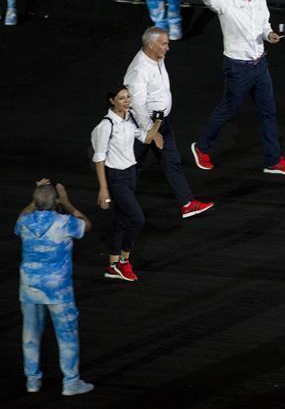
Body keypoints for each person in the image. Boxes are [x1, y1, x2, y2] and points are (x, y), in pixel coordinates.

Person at [190, 0, 285, 175]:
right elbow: (209, 0)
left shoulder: (260, 0)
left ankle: (273, 161)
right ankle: (202, 147)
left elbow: (265, 26)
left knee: (268, 113)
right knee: (228, 110)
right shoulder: (226, 2)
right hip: (237, 68)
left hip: (260, 66)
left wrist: (269, 35)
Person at [124, 26, 214, 219]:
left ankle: (187, 204)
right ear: (151, 45)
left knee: (172, 161)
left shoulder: (157, 57)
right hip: (143, 126)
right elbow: (137, 104)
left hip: (160, 122)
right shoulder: (139, 70)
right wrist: (151, 131)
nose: (168, 48)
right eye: (164, 44)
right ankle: (120, 202)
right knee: (132, 166)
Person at [16, 180, 94, 396]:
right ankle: (71, 382)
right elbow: (86, 224)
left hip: (29, 288)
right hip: (58, 290)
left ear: (35, 202)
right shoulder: (64, 222)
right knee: (67, 335)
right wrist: (67, 203)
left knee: (30, 335)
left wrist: (35, 198)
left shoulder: (25, 221)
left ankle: (32, 380)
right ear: (55, 203)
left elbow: (21, 217)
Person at [91, 85, 163, 281]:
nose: (126, 101)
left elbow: (145, 138)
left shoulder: (130, 117)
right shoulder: (106, 125)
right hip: (116, 177)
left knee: (121, 220)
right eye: (122, 98)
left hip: (131, 174)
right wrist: (103, 189)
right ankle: (124, 260)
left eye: (128, 97)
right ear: (112, 101)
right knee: (138, 219)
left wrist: (157, 122)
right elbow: (99, 158)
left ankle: (113, 266)